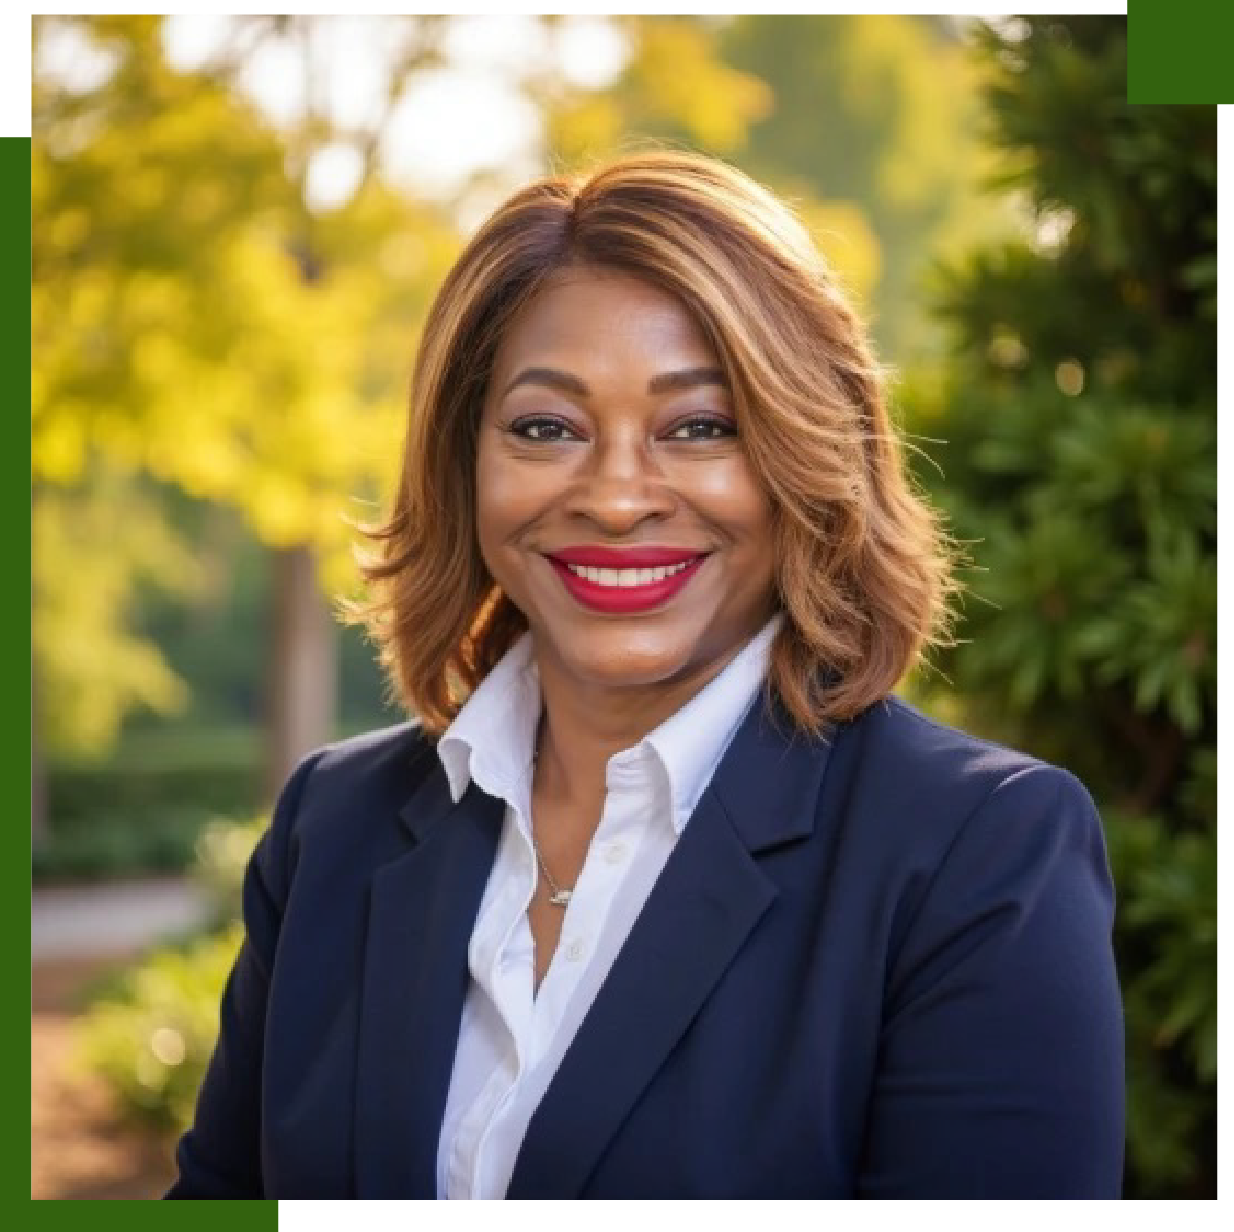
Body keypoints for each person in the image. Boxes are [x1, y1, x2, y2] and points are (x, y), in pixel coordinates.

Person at [165, 151, 1124, 1199]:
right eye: (546, 427)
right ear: (462, 462)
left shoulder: (979, 855)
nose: (617, 496)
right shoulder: (331, 824)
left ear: (804, 457)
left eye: (699, 426)